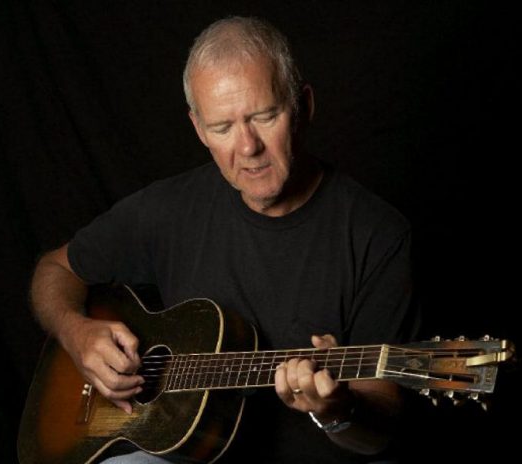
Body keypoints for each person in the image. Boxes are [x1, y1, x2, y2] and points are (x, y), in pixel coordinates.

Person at [30, 16, 419, 464]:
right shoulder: (168, 209)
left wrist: (337, 411)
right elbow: (53, 270)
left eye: (265, 116)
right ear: (198, 129)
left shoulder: (377, 234)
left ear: (304, 105)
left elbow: (381, 428)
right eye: (222, 128)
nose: (247, 147)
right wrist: (75, 332)